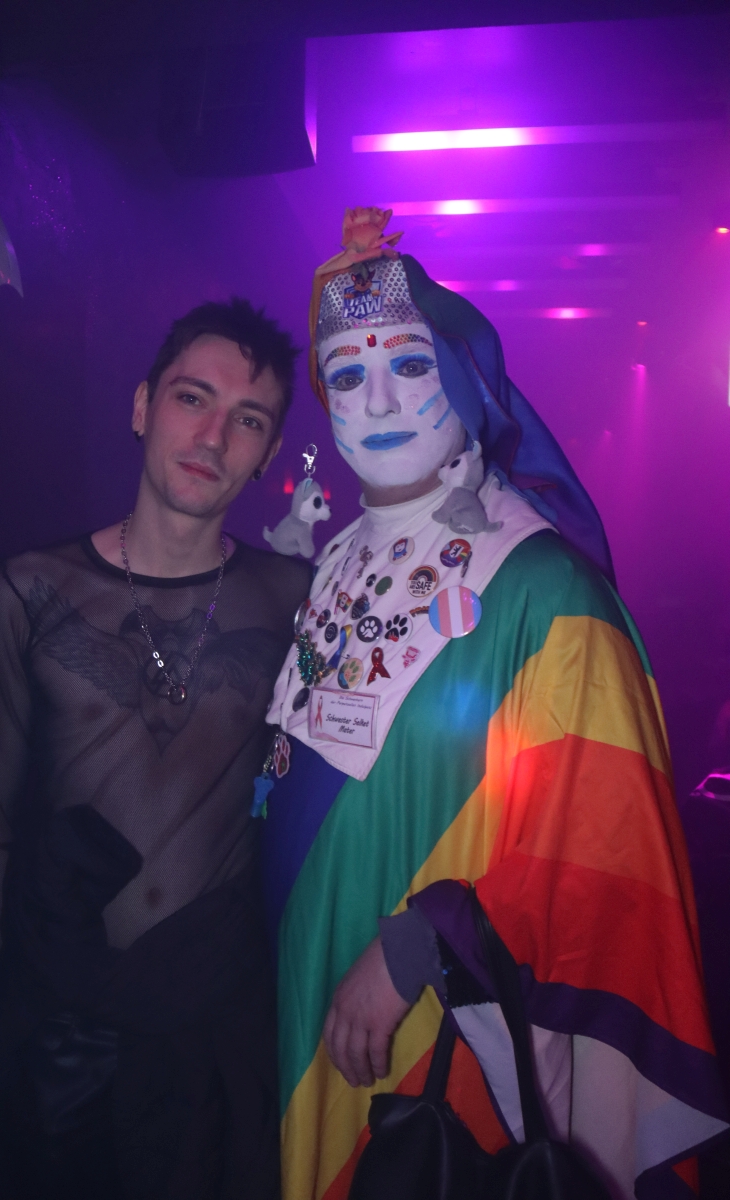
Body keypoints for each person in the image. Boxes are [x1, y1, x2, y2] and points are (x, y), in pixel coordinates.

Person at [263, 208, 729, 1200]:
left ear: (469, 381)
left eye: (410, 366)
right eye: (344, 374)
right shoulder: (328, 561)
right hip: (298, 990)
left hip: (444, 1030)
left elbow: (607, 852)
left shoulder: (546, 588)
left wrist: (414, 946)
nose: (376, 399)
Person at [0, 298, 312, 1200]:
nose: (214, 437)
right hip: (65, 1008)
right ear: (140, 407)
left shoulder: (295, 597)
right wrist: (7, 1015)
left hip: (217, 1021)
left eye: (248, 419)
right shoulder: (31, 591)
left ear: (269, 452)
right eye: (192, 398)